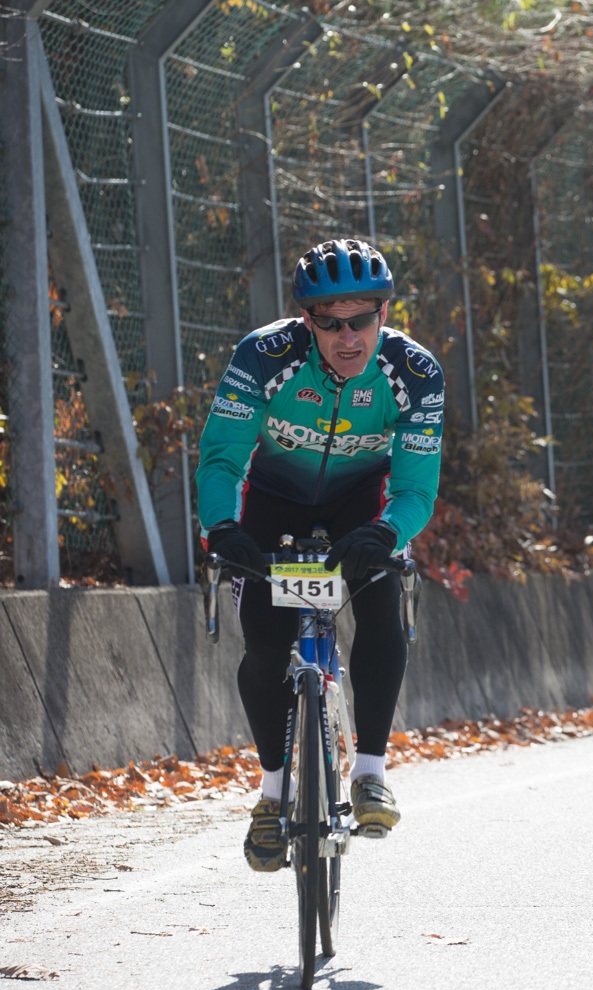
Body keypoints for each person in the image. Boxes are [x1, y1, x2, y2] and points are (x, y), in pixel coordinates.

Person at [195, 239, 445, 872]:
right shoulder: (264, 355)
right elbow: (222, 457)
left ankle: (371, 771)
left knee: (383, 606)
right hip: (272, 507)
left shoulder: (413, 373)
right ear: (307, 320)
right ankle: (272, 794)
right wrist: (222, 528)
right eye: (329, 321)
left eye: (360, 318)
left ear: (383, 315)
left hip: (360, 509)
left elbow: (416, 489)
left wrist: (388, 533)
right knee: (262, 648)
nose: (347, 335)